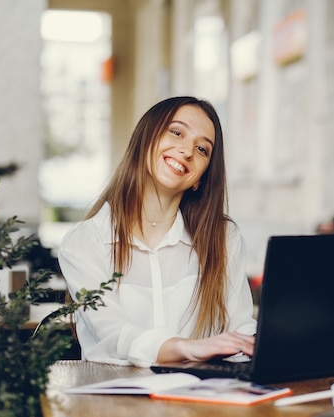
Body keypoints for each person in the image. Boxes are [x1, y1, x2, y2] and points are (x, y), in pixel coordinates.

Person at [58, 96, 257, 367]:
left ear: (200, 178)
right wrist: (187, 348)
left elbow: (242, 331)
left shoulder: (224, 239)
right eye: (176, 132)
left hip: (201, 401)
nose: (187, 151)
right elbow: (111, 335)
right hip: (114, 402)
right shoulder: (83, 244)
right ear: (145, 139)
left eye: (202, 150)